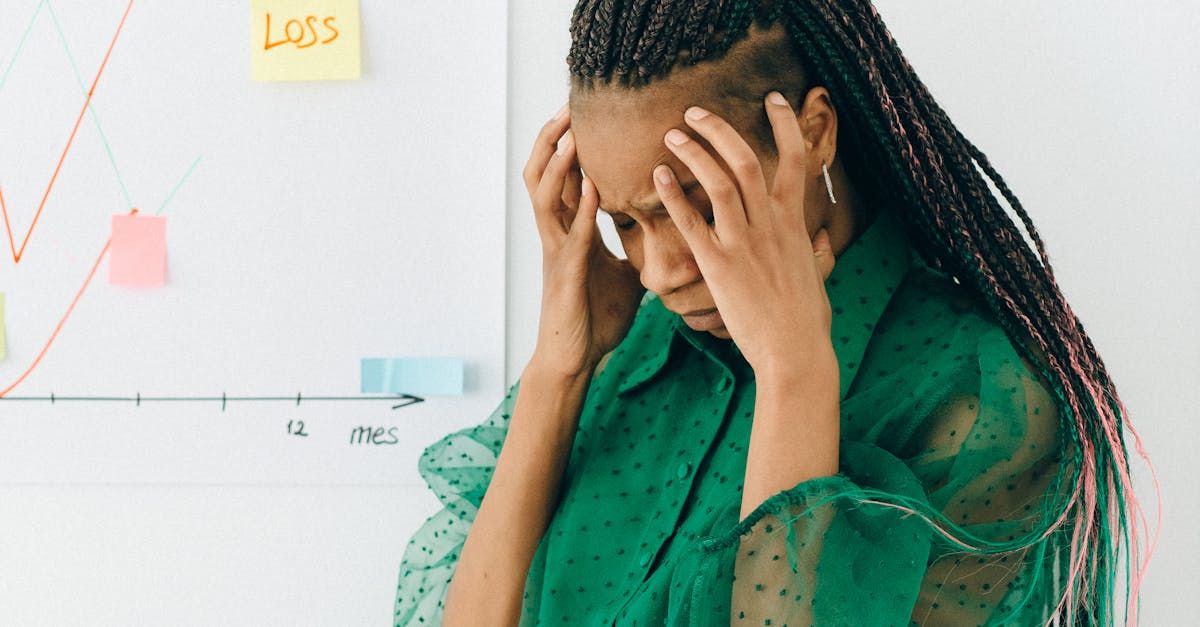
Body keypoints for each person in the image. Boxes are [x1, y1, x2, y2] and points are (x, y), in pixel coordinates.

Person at [393, 2, 1158, 625]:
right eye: (626, 222)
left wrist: (794, 376)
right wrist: (558, 373)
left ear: (813, 134)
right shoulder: (622, 360)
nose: (657, 270)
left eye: (695, 205)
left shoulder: (974, 395)